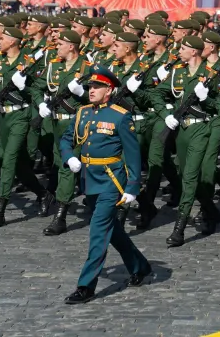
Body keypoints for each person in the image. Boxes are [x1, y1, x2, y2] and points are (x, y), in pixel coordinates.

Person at [59, 68, 152, 304]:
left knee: (98, 233)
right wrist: (69, 156)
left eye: (97, 87)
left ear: (109, 91)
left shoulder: (120, 117)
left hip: (112, 181)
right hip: (89, 180)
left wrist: (132, 187)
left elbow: (133, 156)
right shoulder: (82, 113)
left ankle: (86, 286)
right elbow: (66, 139)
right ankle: (139, 266)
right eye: (90, 87)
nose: (91, 91)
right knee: (113, 231)